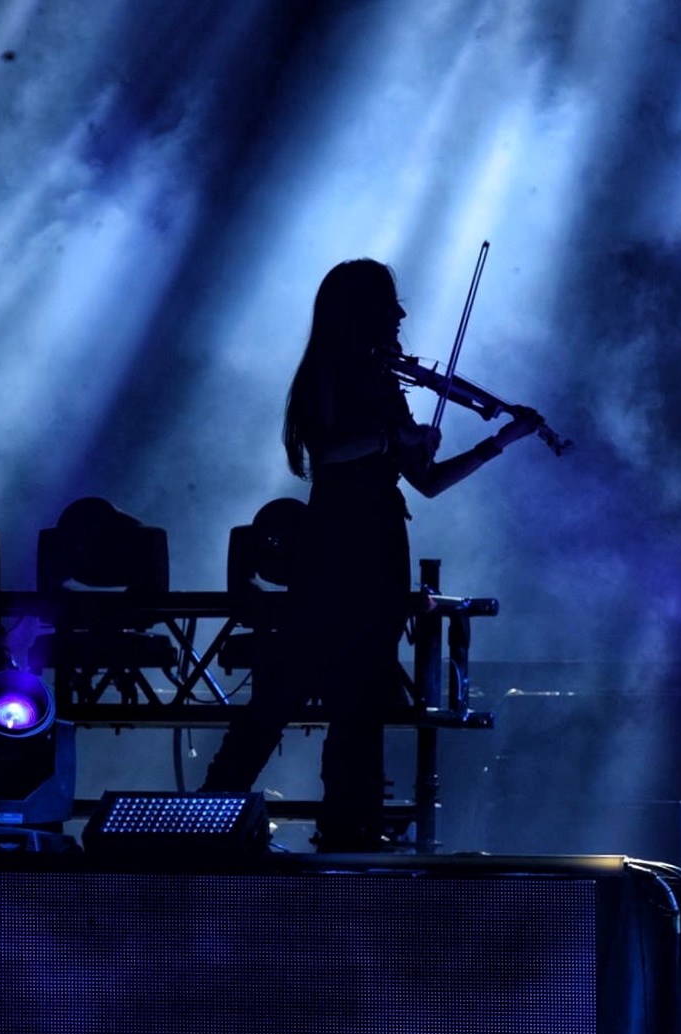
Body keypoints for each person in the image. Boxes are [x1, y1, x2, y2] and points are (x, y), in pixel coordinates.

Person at [201, 258, 541, 851]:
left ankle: (347, 827)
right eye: (391, 304)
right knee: (286, 684)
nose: (402, 314)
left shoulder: (385, 383)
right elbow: (327, 452)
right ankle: (209, 814)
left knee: (362, 693)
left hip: (384, 542)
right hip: (333, 541)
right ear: (362, 310)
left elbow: (426, 481)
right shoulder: (325, 373)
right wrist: (394, 438)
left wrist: (496, 443)